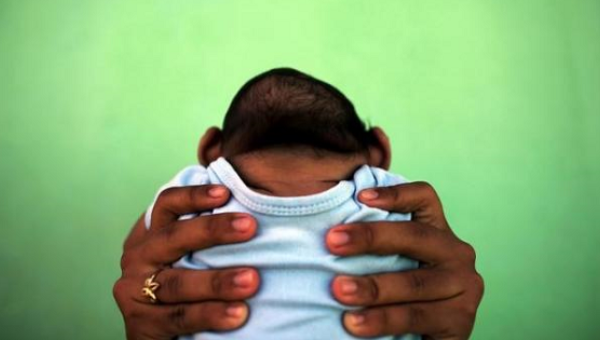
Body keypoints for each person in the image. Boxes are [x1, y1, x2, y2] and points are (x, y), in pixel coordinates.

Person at [113, 69, 484, 340]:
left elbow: (137, 256)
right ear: (379, 152)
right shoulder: (390, 195)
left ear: (211, 151)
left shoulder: (195, 188)